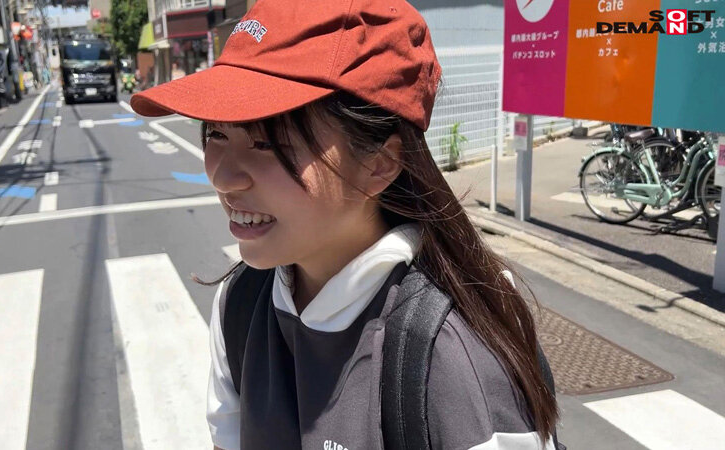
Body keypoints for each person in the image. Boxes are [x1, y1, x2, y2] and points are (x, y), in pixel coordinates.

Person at [131, 0, 561, 449]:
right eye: (217, 133)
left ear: (380, 163)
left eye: (267, 142)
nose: (223, 177)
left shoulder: (450, 352)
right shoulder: (239, 304)